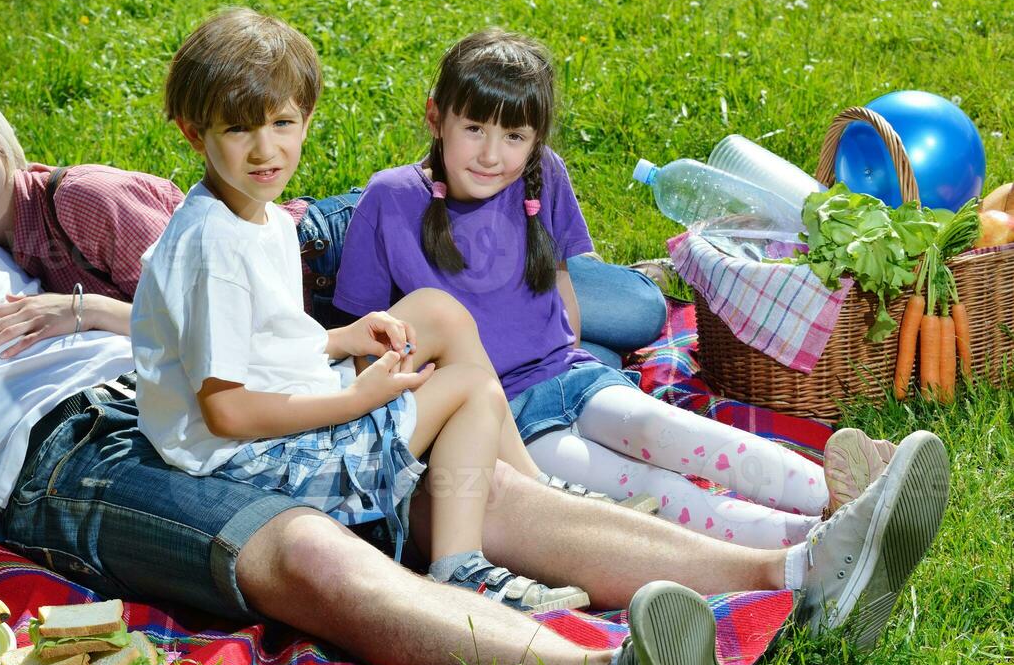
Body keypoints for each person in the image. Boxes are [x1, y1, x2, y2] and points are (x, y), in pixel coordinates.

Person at [0, 0, 951, 665]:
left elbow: (86, 233)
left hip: (136, 385)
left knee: (442, 474)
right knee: (291, 546)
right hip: (47, 457)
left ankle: (791, 570)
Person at [332, 29, 909, 549]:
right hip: (506, 421)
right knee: (649, 490)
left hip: (570, 374)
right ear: (436, 117)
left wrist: (569, 349)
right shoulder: (390, 200)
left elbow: (560, 275)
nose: (490, 154)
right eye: (474, 129)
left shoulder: (543, 173)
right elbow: (365, 336)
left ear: (534, 139)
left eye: (513, 136)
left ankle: (847, 490)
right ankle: (811, 539)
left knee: (663, 428)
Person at [131, 7, 588, 611]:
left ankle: (531, 484)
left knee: (436, 309)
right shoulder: (214, 251)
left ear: (306, 119)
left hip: (284, 405)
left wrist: (341, 340)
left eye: (282, 123)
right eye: (239, 131)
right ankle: (460, 571)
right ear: (195, 134)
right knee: (471, 389)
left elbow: (262, 340)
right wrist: (356, 401)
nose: (266, 150)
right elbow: (227, 412)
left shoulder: (254, 210)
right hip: (254, 463)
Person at [0, 68, 665, 366]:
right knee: (523, 348)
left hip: (325, 256)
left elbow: (200, 309)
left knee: (631, 315)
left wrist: (85, 311)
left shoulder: (81, 203)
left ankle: (626, 279)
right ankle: (543, 327)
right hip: (311, 306)